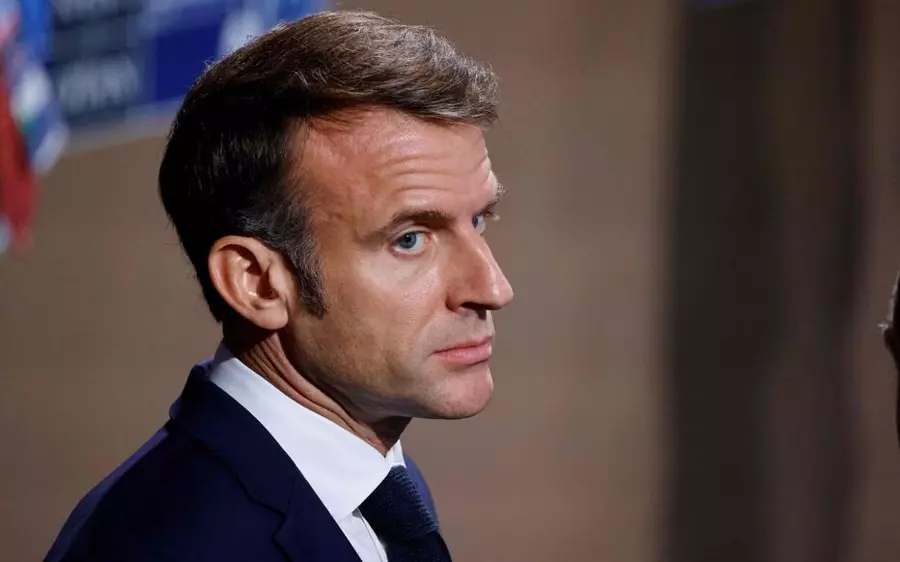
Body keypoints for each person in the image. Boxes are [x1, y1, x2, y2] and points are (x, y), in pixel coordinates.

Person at [44, 10, 514, 562]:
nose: (493, 287)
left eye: (478, 220)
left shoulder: (378, 485)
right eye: (409, 239)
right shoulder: (172, 546)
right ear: (257, 283)